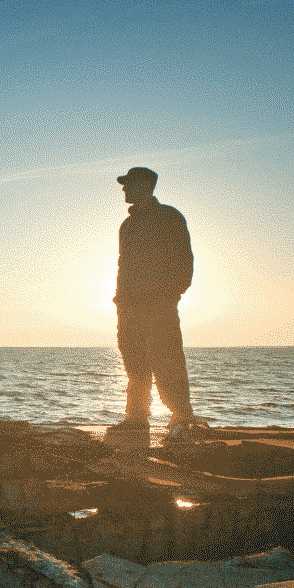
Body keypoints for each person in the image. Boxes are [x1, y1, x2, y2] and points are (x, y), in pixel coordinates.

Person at [109, 167, 208, 440]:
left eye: (128, 184)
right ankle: (136, 419)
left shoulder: (168, 217)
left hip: (158, 306)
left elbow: (183, 260)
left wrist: (170, 295)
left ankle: (182, 418)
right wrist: (121, 300)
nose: (124, 189)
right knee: (135, 365)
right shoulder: (127, 226)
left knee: (168, 361)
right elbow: (123, 267)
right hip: (128, 308)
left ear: (144, 185)